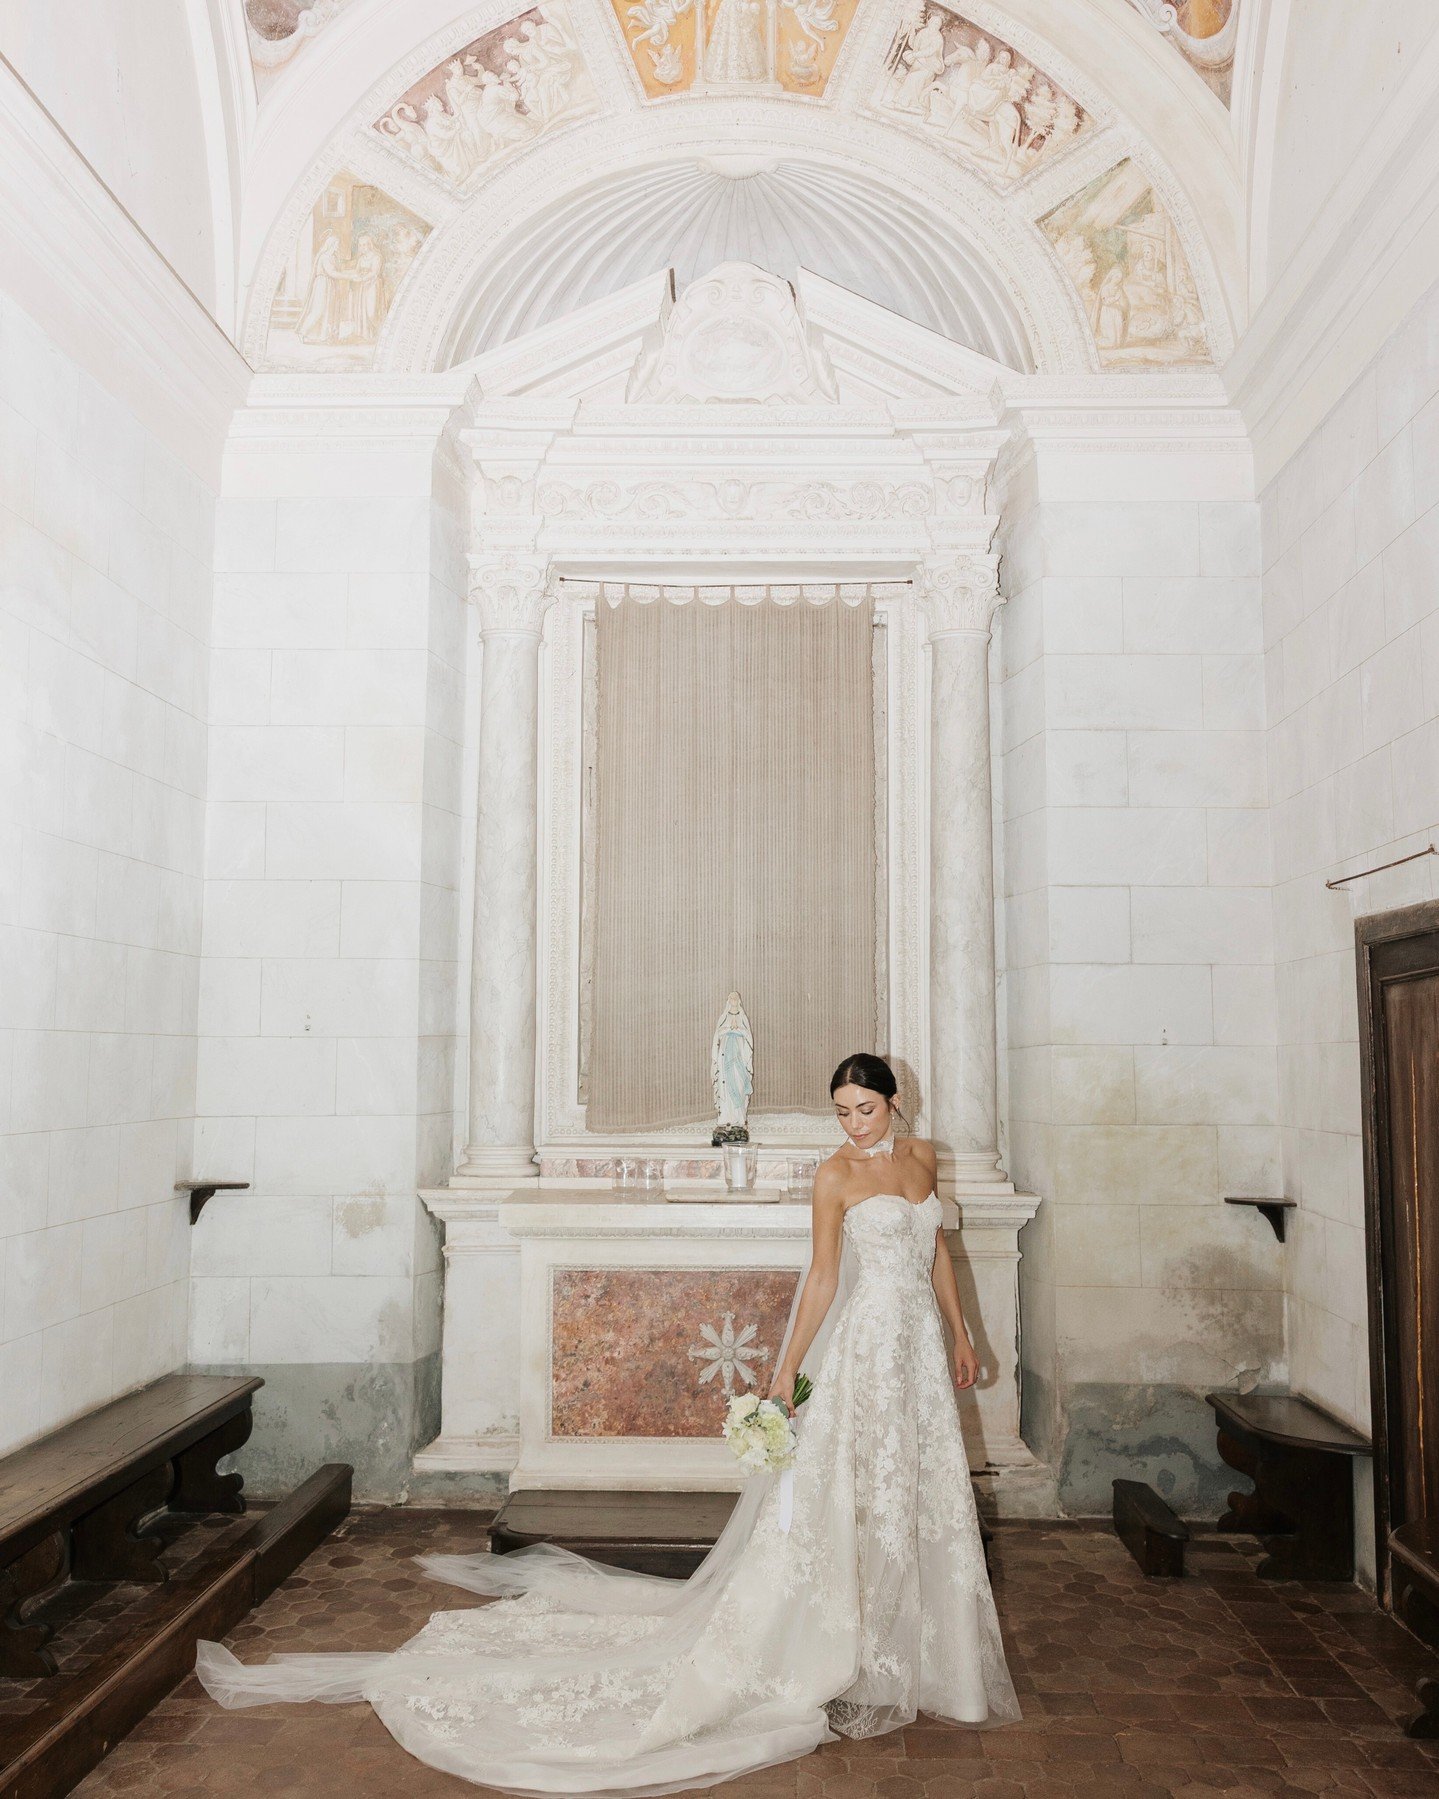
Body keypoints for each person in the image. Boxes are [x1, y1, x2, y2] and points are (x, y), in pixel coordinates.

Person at [194, 1050, 1020, 1791]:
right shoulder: (834, 1176)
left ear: (894, 1099)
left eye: (863, 1108)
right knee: (848, 1495)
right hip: (864, 1347)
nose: (851, 1123)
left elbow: (936, 1250)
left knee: (918, 1491)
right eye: (840, 1110)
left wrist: (958, 1330)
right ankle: (843, 1648)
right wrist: (780, 1373)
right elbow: (819, 1281)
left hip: (914, 1346)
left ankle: (921, 1653)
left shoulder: (923, 1159)